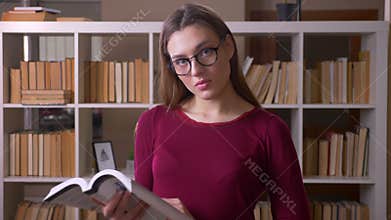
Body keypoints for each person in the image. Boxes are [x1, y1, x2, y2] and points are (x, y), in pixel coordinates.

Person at [99, 3, 310, 220]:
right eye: (181, 61)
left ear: (229, 46)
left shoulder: (269, 130)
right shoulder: (152, 121)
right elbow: (142, 212)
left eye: (206, 52)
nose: (196, 70)